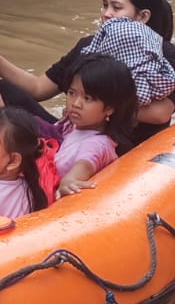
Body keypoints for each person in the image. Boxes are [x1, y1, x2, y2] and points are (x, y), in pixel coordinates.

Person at [0, 0, 175, 146]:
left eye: (116, 7)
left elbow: (160, 114)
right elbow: (38, 88)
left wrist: (90, 106)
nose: (106, 14)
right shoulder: (89, 46)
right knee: (1, 89)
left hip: (127, 149)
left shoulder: (163, 55)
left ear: (142, 16)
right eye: (104, 5)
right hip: (75, 136)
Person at [53, 55, 138, 198]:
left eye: (87, 98)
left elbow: (85, 164)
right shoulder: (70, 124)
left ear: (110, 108)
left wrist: (70, 180)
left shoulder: (98, 143)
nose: (76, 103)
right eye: (72, 93)